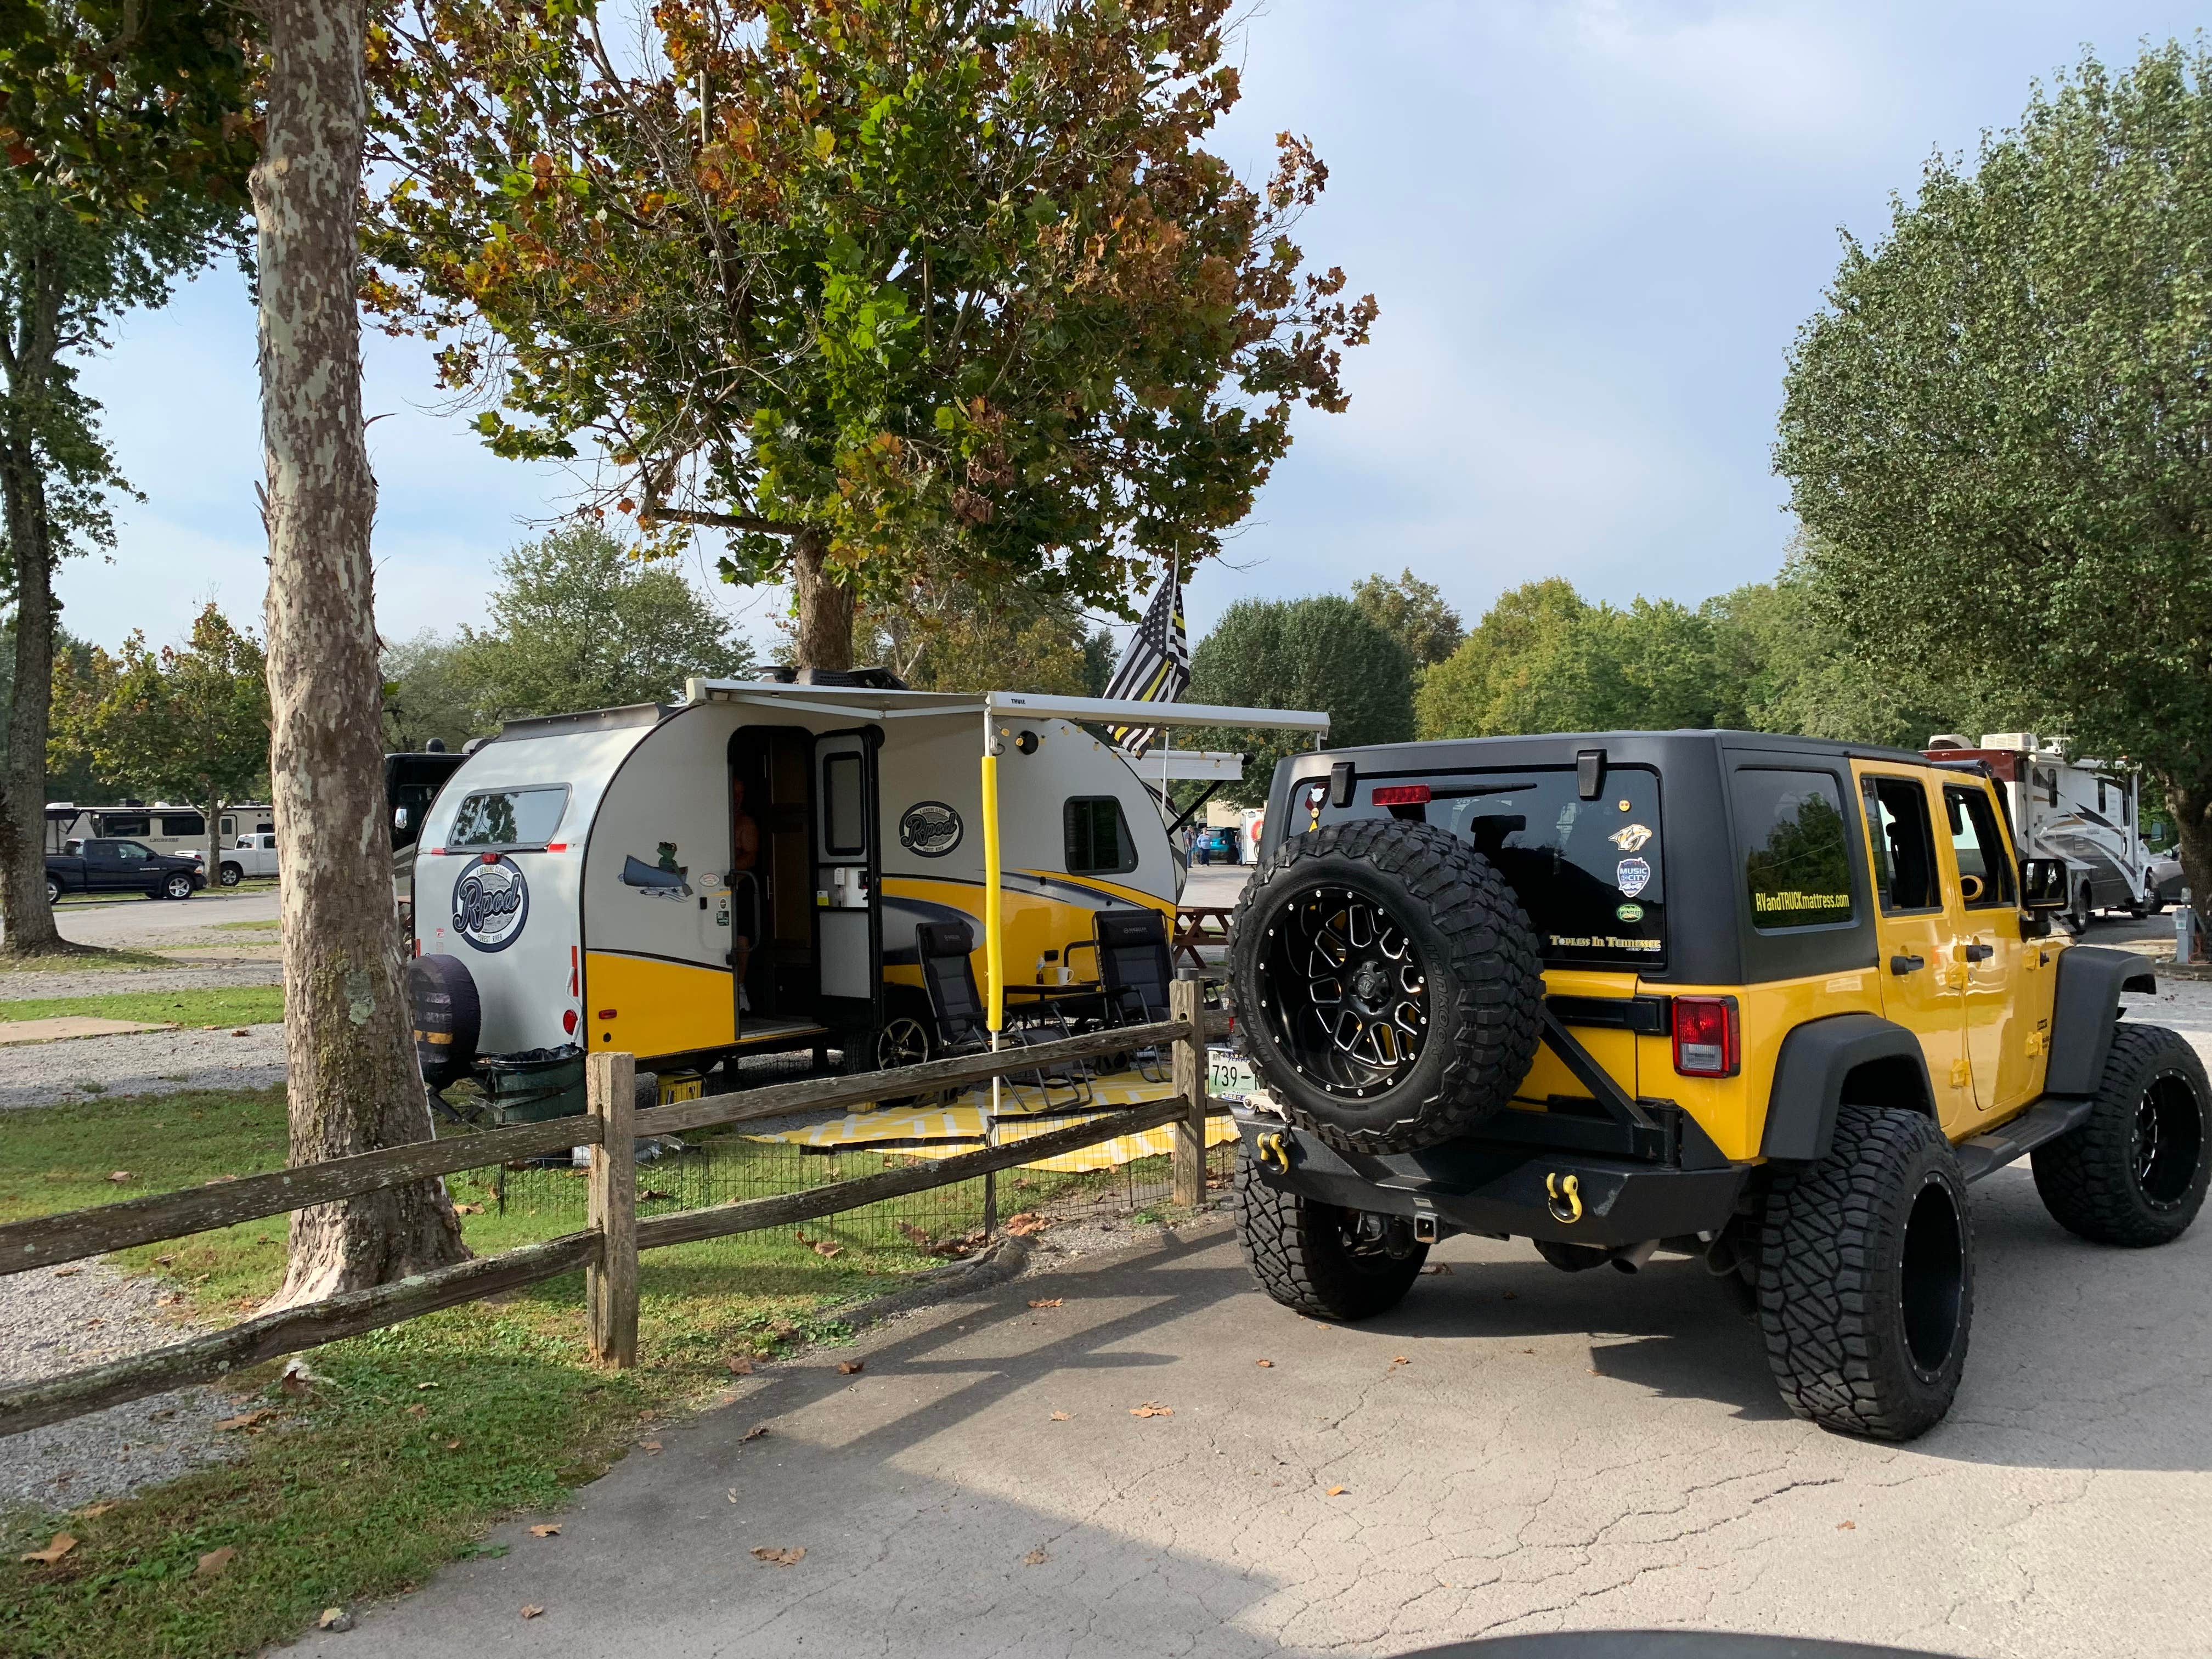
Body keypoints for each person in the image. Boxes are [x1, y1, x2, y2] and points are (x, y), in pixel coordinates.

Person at [731, 777, 760, 1009]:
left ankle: (740, 990)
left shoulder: (745, 823)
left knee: (742, 938)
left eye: (741, 793)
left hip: (739, 885)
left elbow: (751, 856)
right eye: (734, 792)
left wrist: (728, 868)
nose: (738, 798)